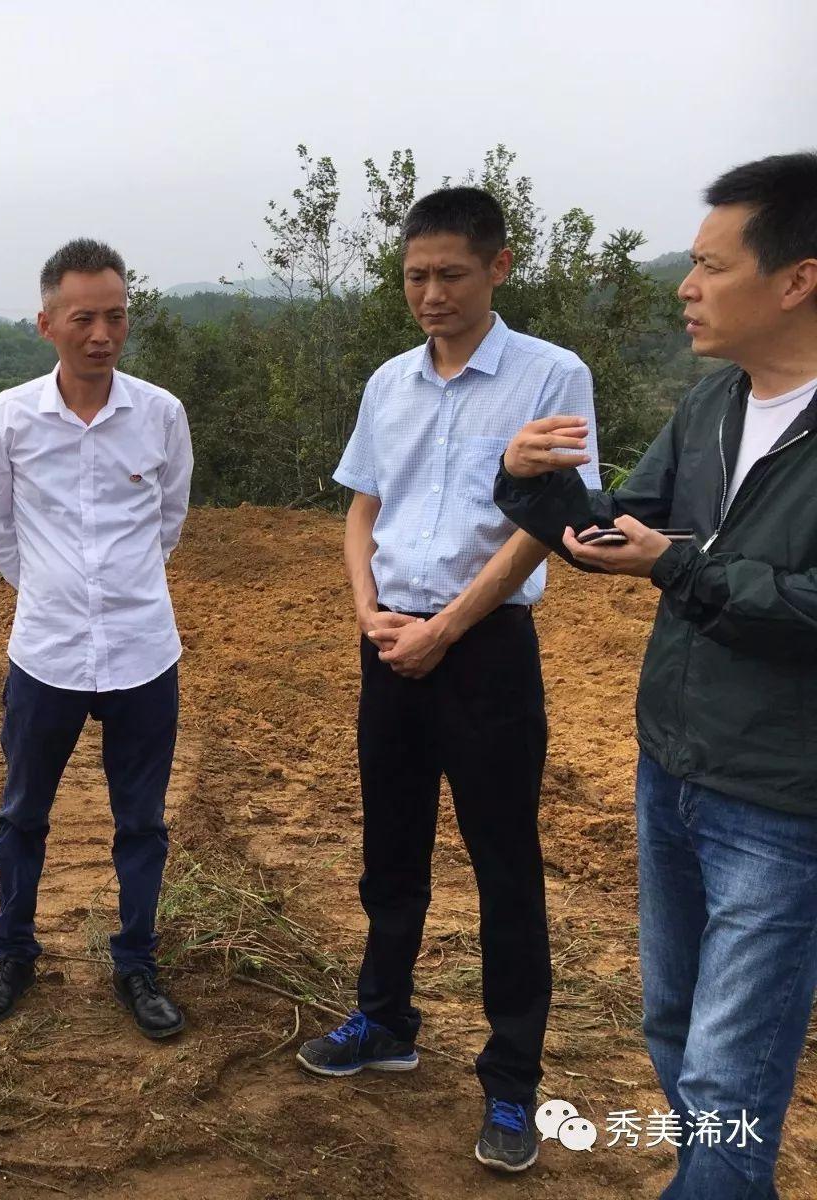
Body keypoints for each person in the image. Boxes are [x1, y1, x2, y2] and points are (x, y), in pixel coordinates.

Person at [496, 151, 817, 1199]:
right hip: (672, 769)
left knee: (729, 1067)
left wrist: (682, 567)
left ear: (796, 278)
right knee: (672, 1024)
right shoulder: (715, 404)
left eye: (711, 266)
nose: (687, 287)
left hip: (782, 800)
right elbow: (613, 530)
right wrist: (528, 486)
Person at [294, 186, 602, 1173]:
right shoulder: (389, 383)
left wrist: (448, 629)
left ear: (498, 267)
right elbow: (362, 506)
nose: (431, 294)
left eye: (451, 275)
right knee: (390, 850)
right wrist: (365, 608)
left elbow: (543, 527)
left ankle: (511, 1081)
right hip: (388, 642)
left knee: (504, 865)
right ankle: (384, 1020)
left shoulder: (550, 375)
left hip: (485, 651)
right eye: (415, 276)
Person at [0, 238, 193, 1039]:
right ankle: (13, 952)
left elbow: (169, 521)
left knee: (143, 822)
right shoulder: (10, 418)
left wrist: (119, 591)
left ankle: (136, 962)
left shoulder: (160, 414)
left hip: (143, 652)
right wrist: (53, 593)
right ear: (47, 324)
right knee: (22, 813)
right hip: (46, 654)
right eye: (84, 318)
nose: (102, 334)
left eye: (117, 317)